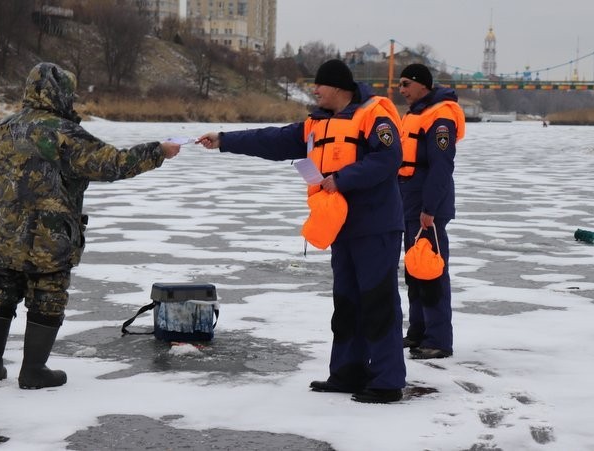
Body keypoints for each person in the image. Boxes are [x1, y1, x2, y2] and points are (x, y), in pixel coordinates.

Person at [198, 59, 406, 404]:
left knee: (378, 303)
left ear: (338, 88)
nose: (314, 90)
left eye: (319, 85)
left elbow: (388, 158)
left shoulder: (374, 115)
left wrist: (341, 179)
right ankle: (346, 373)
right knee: (347, 302)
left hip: (376, 225)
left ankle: (386, 381)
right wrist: (223, 140)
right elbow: (272, 140)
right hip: (341, 226)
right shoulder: (316, 124)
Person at [0, 62, 180, 389]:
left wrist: (6, 212)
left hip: (4, 238)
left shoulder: (1, 130)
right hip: (49, 240)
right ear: (62, 94)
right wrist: (158, 152)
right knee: (48, 296)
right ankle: (33, 370)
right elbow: (112, 163)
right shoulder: (63, 132)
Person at [397, 63, 465, 359]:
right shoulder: (416, 114)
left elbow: (441, 166)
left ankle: (438, 339)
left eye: (405, 85)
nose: (401, 91)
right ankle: (418, 332)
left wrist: (430, 208)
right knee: (415, 270)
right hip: (409, 202)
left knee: (432, 273)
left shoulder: (441, 117)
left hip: (428, 207)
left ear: (421, 85)